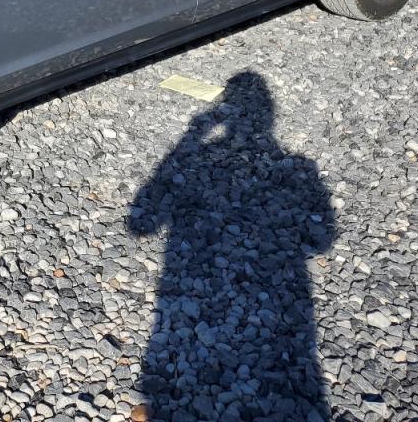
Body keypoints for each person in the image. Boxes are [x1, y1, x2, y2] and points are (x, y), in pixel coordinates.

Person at [129, 71, 336, 421]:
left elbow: (141, 223)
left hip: (180, 297)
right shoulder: (302, 167)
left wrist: (193, 135)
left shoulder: (201, 155)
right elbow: (324, 238)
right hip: (285, 309)